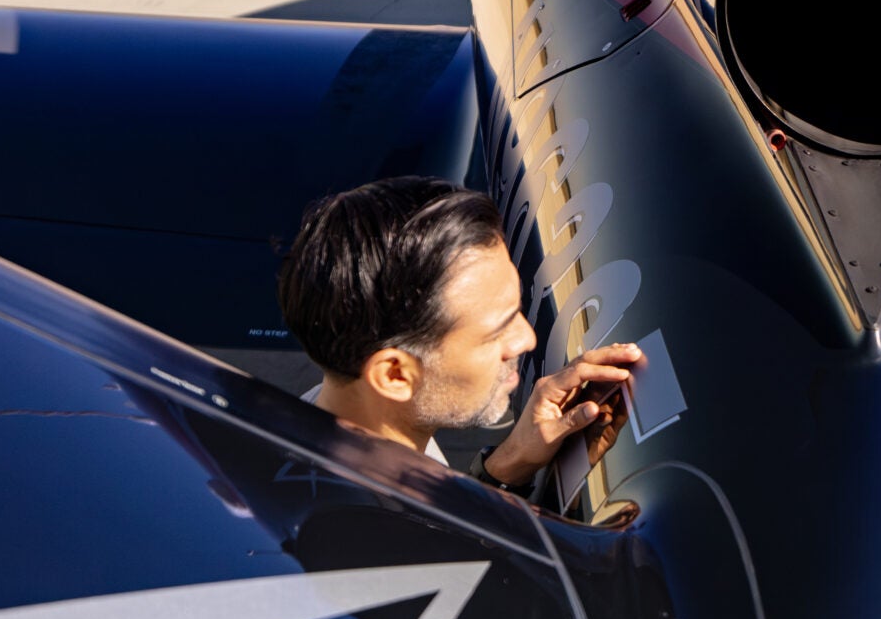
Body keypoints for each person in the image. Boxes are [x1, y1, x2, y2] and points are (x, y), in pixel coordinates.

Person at [276, 176, 644, 495]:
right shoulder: (380, 552)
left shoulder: (350, 441)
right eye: (496, 330)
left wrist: (512, 462)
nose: (526, 339)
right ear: (394, 374)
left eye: (517, 308)